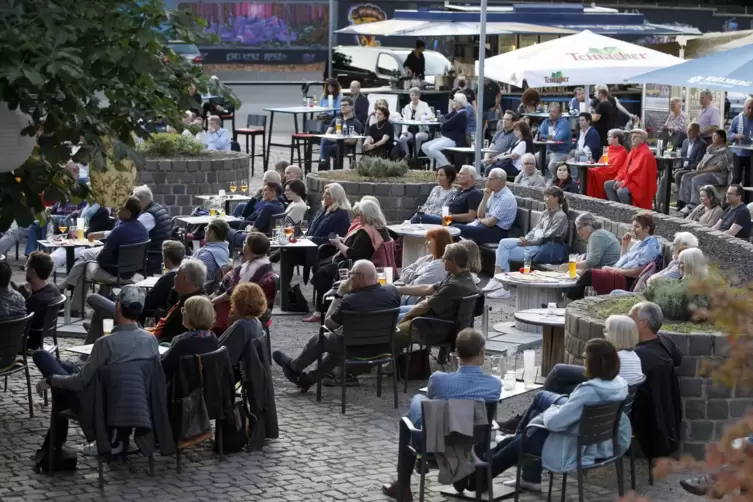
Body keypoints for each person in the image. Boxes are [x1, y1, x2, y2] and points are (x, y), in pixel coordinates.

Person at [453, 338, 630, 495]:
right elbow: (574, 412)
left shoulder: (589, 391)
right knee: (519, 438)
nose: (582, 362)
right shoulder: (619, 385)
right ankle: (477, 471)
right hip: (596, 441)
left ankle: (477, 475)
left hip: (572, 444)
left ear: (594, 363)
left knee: (520, 442)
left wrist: (552, 409)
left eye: (585, 359)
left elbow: (554, 423)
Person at [33, 285, 159, 456]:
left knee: (44, 360)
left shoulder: (106, 343)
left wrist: (50, 380)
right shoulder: (150, 340)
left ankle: (52, 447)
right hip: (135, 403)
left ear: (118, 307)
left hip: (98, 404)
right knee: (66, 370)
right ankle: (52, 446)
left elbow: (80, 382)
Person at [380, 328, 502, 501]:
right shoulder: (494, 386)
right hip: (472, 443)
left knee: (414, 407)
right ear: (482, 350)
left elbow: (432, 400)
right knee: (422, 407)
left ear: (457, 353)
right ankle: (460, 472)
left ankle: (403, 485)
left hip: (436, 442)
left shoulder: (438, 379)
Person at [273, 260, 400, 391]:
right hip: (384, 348)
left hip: (354, 349)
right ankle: (307, 380)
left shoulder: (350, 300)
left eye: (351, 274)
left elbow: (328, 323)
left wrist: (339, 295)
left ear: (360, 277)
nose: (349, 277)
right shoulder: (392, 292)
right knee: (334, 349)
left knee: (321, 339)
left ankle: (294, 367)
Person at [307, 200, 393, 323]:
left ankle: (322, 310)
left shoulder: (366, 232)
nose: (358, 218)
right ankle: (323, 305)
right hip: (371, 265)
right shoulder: (381, 229)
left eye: (360, 215)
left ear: (367, 215)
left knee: (322, 272)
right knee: (322, 265)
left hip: (355, 266)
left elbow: (353, 254)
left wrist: (338, 244)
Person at [61, 197, 148, 313]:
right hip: (131, 271)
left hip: (114, 273)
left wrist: (98, 258)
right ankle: (71, 286)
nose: (116, 209)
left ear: (128, 213)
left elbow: (103, 260)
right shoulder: (143, 230)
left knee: (84, 267)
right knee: (85, 254)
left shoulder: (119, 231)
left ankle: (74, 305)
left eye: (120, 208)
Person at [483, 187, 569, 299]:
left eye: (548, 196)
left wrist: (529, 242)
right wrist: (525, 238)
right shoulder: (545, 213)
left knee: (502, 249)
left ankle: (500, 284)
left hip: (544, 248)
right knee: (503, 246)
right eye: (545, 196)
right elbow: (535, 230)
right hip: (534, 244)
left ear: (556, 198)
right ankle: (501, 285)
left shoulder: (560, 216)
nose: (545, 199)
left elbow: (547, 236)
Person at [394, 244, 478, 351]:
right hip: (441, 319)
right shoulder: (463, 277)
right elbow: (428, 288)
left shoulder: (454, 285)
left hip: (435, 327)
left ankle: (391, 363)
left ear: (454, 261)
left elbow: (424, 307)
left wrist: (405, 318)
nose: (442, 260)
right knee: (396, 312)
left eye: (445, 258)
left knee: (395, 331)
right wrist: (397, 289)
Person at [629, 302, 683, 468]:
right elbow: (678, 359)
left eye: (631, 317)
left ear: (643, 323)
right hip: (667, 421)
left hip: (643, 422)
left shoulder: (638, 356)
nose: (628, 320)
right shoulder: (665, 341)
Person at [563, 212, 660, 301]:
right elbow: (623, 262)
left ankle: (567, 302)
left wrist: (612, 270)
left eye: (637, 227)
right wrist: (625, 245)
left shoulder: (650, 247)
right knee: (585, 275)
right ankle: (570, 302)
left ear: (647, 229)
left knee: (589, 274)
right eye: (633, 226)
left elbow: (635, 273)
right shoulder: (640, 243)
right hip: (620, 275)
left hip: (625, 280)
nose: (632, 229)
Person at [541, 316, 644, 397]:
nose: (604, 335)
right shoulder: (635, 357)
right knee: (561, 377)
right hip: (614, 399)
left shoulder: (615, 359)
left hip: (603, 397)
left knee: (559, 372)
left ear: (616, 336)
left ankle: (539, 406)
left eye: (607, 331)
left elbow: (595, 376)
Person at [281, 183, 352, 286]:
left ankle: (282, 287)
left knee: (287, 252)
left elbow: (338, 239)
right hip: (309, 247)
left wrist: (312, 239)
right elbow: (310, 227)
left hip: (322, 252)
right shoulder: (323, 209)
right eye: (324, 193)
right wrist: (300, 235)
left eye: (327, 194)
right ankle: (284, 289)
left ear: (336, 196)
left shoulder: (341, 215)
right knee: (286, 251)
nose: (323, 196)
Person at [212, 232, 275, 334]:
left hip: (234, 309)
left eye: (245, 243)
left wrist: (212, 301)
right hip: (245, 305)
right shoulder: (263, 262)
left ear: (249, 248)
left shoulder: (252, 269)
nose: (243, 245)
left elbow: (233, 294)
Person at [160, 296, 218, 383]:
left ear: (193, 316)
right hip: (203, 385)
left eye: (184, 310)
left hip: (178, 388)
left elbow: (164, 367)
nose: (182, 312)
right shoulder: (212, 337)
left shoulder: (183, 342)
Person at [455, 168, 517, 244]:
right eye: (487, 179)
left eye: (490, 179)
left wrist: (481, 220)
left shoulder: (506, 198)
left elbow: (491, 222)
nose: (487, 182)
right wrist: (485, 198)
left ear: (499, 181)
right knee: (454, 228)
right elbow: (480, 215)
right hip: (485, 226)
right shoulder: (493, 193)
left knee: (457, 228)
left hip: (496, 232)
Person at [153, 259, 206, 344]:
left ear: (185, 278)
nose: (174, 277)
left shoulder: (194, 306)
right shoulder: (188, 297)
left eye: (177, 275)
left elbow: (175, 336)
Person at [677, 129, 731, 213]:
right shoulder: (710, 148)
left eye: (715, 136)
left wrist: (703, 171)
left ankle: (694, 204)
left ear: (722, 138)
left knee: (696, 179)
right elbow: (703, 159)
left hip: (717, 175)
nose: (713, 137)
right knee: (686, 176)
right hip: (705, 172)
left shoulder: (725, 151)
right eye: (712, 136)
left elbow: (719, 167)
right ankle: (684, 202)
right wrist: (699, 165)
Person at [604, 129, 657, 209]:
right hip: (629, 180)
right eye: (632, 137)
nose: (632, 139)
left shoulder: (646, 155)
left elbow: (641, 177)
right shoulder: (633, 151)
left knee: (621, 191)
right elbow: (624, 168)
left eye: (635, 137)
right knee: (608, 185)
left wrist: (624, 182)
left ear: (642, 140)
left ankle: (629, 211)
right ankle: (617, 209)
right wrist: (618, 179)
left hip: (639, 184)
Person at [397, 227, 451, 305]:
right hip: (406, 300)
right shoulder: (426, 258)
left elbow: (416, 285)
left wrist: (409, 279)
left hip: (416, 305)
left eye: (429, 240)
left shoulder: (440, 266)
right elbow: (404, 272)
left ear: (439, 242)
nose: (426, 243)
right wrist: (417, 276)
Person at [664, 123, 707, 211]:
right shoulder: (685, 142)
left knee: (679, 175)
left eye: (691, 130)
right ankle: (680, 200)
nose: (688, 131)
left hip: (693, 168)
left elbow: (699, 160)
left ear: (697, 132)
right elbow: (681, 156)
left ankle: (682, 201)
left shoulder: (702, 143)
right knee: (670, 175)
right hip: (683, 167)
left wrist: (686, 167)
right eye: (687, 129)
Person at [422, 93, 469, 167]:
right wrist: (443, 120)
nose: (452, 102)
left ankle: (447, 167)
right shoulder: (455, 112)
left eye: (454, 101)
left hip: (454, 140)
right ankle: (437, 164)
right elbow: (442, 118)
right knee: (424, 147)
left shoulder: (461, 115)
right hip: (446, 137)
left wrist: (443, 121)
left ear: (459, 103)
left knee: (432, 149)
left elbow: (444, 125)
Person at [318, 97, 364, 170]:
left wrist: (337, 140)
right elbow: (327, 134)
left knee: (325, 149)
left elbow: (352, 141)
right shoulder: (336, 120)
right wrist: (333, 138)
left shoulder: (355, 123)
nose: (342, 107)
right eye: (341, 105)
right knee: (324, 141)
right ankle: (324, 163)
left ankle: (323, 165)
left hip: (345, 147)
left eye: (345, 105)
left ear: (352, 106)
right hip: (332, 145)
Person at [586, 129, 628, 200]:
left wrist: (597, 169)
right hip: (602, 170)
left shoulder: (622, 152)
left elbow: (614, 168)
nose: (607, 138)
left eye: (609, 136)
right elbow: (600, 163)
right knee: (587, 171)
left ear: (616, 138)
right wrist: (593, 163)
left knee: (590, 172)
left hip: (610, 174)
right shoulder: (608, 149)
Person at [537, 103, 573, 177]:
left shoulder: (564, 124)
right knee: (535, 158)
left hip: (561, 152)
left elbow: (557, 138)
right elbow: (538, 135)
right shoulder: (546, 122)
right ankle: (545, 179)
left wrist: (544, 136)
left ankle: (556, 181)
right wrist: (543, 136)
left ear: (560, 114)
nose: (551, 113)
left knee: (552, 165)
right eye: (550, 111)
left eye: (554, 112)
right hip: (548, 151)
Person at [397, 87, 432, 158]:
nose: (414, 97)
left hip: (422, 129)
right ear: (410, 96)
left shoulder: (424, 105)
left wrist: (424, 118)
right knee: (402, 138)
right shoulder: (407, 107)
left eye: (416, 95)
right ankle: (407, 154)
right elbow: (405, 119)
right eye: (412, 95)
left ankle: (414, 155)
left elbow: (431, 115)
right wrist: (404, 130)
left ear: (419, 96)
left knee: (417, 137)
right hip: (410, 129)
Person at [193, 219, 230, 284]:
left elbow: (192, 276)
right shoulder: (223, 249)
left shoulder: (206, 256)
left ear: (212, 233)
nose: (204, 229)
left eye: (206, 228)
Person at [729, 97, 753, 185]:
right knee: (737, 177)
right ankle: (730, 196)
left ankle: (746, 198)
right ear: (744, 107)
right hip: (739, 152)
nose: (750, 110)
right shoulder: (737, 119)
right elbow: (729, 134)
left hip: (751, 154)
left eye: (752, 108)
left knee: (749, 179)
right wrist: (735, 136)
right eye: (748, 108)